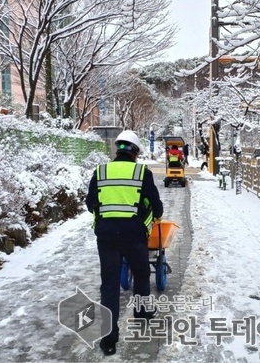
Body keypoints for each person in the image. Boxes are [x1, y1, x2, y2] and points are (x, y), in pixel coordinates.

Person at [85, 130, 164, 356]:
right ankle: (141, 312)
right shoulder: (141, 172)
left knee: (108, 284)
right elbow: (157, 207)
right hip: (134, 234)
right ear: (136, 152)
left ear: (117, 149)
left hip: (106, 235)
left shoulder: (100, 171)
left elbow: (90, 204)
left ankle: (109, 338)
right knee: (140, 272)